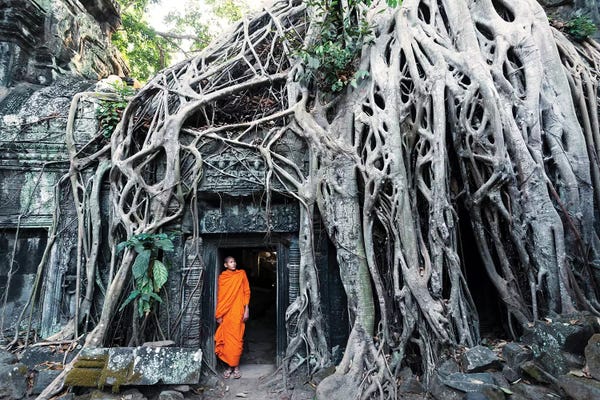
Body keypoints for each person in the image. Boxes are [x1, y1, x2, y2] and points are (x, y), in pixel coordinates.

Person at [215, 256, 250, 379]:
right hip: (226, 313)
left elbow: (247, 292)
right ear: (225, 265)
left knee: (237, 340)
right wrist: (219, 314)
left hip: (238, 312)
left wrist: (246, 309)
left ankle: (236, 367)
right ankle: (229, 367)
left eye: (234, 261)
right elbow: (221, 297)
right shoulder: (223, 278)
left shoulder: (241, 274)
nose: (233, 263)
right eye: (230, 262)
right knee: (227, 341)